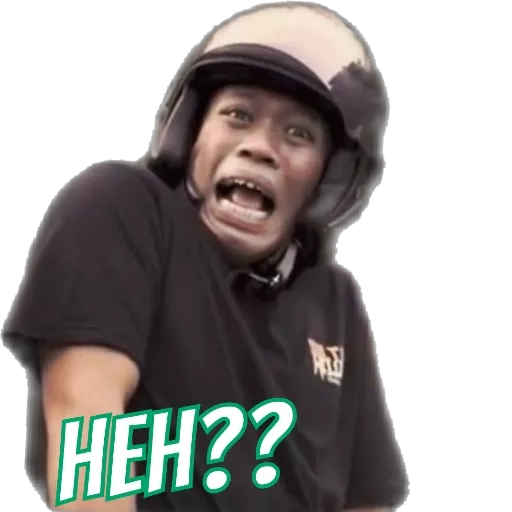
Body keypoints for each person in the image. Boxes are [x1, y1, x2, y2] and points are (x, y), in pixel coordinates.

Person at [1, 3, 406, 512]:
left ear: (327, 182)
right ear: (189, 133)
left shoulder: (335, 298)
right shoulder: (121, 210)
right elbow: (86, 427)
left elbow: (366, 501)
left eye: (298, 133)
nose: (259, 148)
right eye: (239, 115)